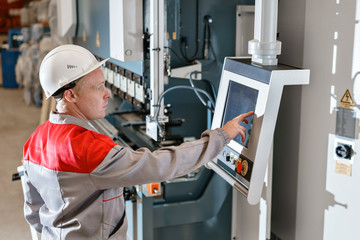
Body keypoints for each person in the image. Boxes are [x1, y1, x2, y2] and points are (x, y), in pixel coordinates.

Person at [22, 44, 254, 239]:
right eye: (98, 87)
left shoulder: (34, 141)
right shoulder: (88, 150)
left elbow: (33, 211)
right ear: (70, 95)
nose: (108, 94)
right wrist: (220, 137)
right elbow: (164, 164)